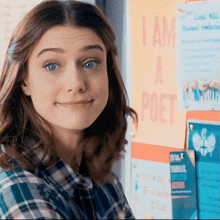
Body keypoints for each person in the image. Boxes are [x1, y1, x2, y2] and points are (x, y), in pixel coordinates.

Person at [0, 0, 138, 219]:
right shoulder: (15, 186)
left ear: (108, 73)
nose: (76, 83)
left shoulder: (100, 177)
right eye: (52, 66)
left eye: (90, 63)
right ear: (24, 80)